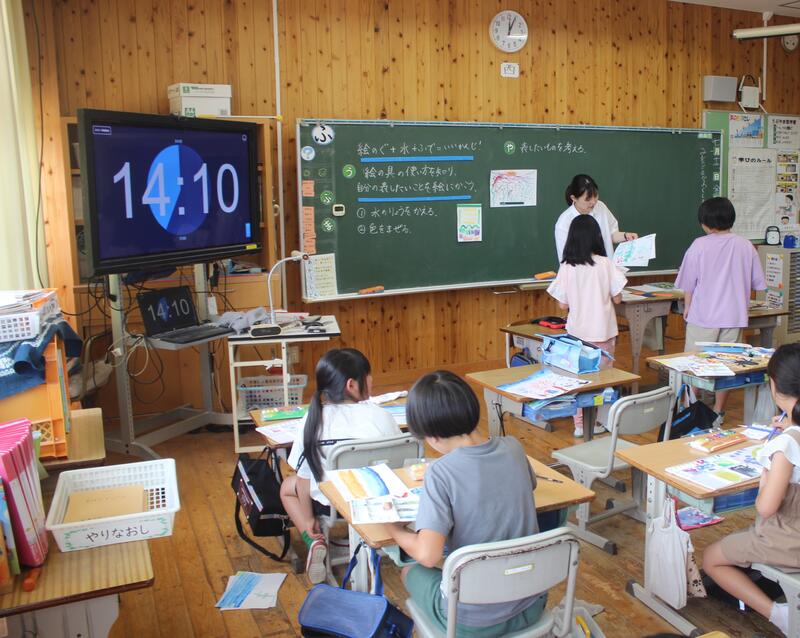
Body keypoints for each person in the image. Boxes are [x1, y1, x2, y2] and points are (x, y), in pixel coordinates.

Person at [386, 371, 546, 636]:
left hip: (472, 622)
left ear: (433, 436)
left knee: (409, 572)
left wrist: (393, 529)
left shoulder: (440, 473)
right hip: (531, 605)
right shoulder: (513, 447)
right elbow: (530, 485)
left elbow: (428, 555)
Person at [702, 343, 800, 637]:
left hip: (788, 541)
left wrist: (766, 474)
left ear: (775, 386)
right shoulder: (789, 437)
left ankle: (778, 615)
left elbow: (766, 508)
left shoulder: (785, 445)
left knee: (710, 559)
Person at [281, 348, 401, 584]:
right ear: (351, 385)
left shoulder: (312, 420)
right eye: (368, 375)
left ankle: (313, 538)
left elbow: (304, 477)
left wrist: (308, 518)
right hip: (377, 501)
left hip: (333, 507)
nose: (371, 380)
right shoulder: (381, 416)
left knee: (286, 488)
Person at [675, 197, 766, 418]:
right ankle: (718, 412)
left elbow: (688, 283)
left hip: (703, 316)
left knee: (694, 364)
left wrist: (687, 306)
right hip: (734, 316)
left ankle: (688, 410)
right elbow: (757, 283)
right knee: (727, 366)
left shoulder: (699, 245)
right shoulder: (746, 246)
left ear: (705, 223)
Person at [547, 214, 627, 437]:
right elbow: (618, 298)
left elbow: (562, 304)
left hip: (577, 333)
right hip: (603, 332)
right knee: (603, 378)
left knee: (578, 379)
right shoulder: (606, 264)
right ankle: (600, 420)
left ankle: (580, 425)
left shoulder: (567, 266)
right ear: (596, 237)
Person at [554, 173, 638, 262]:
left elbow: (610, 235)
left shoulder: (601, 206)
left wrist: (625, 236)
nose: (593, 202)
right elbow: (566, 261)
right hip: (583, 270)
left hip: (608, 267)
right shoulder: (564, 223)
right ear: (574, 198)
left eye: (595, 196)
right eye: (588, 199)